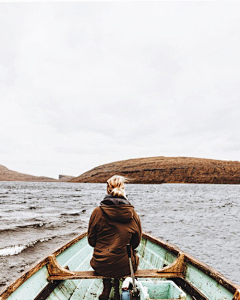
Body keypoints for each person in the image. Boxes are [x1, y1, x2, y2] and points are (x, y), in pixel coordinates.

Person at [87, 175, 142, 300]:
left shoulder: (97, 212)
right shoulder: (133, 214)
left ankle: (106, 289)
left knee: (107, 256)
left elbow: (91, 241)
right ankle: (121, 286)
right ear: (123, 189)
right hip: (125, 266)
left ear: (107, 190)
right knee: (128, 256)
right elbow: (136, 242)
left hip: (101, 265)